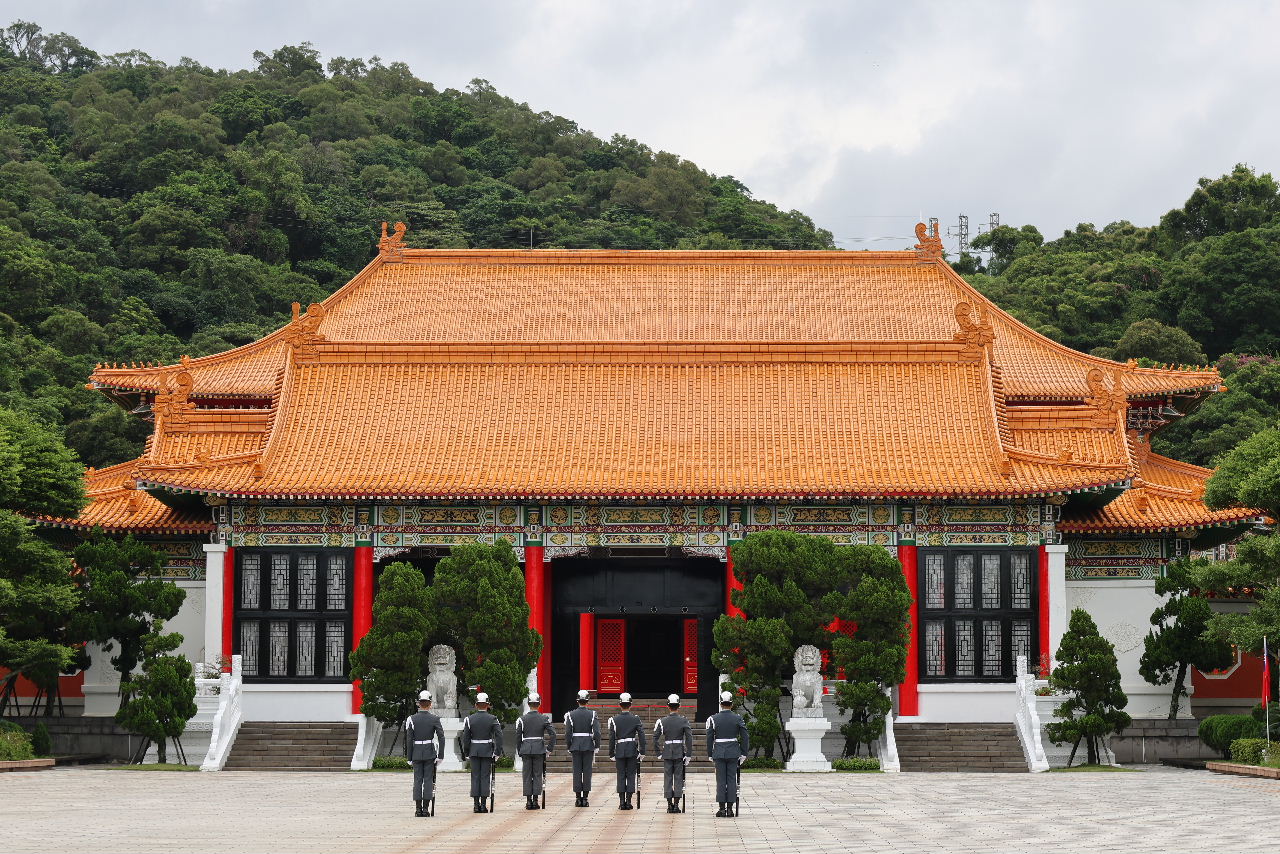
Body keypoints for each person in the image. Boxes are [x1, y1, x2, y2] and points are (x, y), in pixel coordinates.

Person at [706, 690, 749, 817]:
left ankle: (721, 809)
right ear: (732, 703)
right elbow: (745, 736)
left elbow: (709, 738)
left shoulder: (713, 718)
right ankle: (730, 809)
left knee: (720, 780)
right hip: (733, 752)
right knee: (731, 780)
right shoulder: (738, 718)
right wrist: (744, 753)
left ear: (720, 703)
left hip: (719, 752)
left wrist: (710, 753)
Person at [459, 691, 503, 813]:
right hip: (487, 750)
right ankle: (483, 805)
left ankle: (475, 804)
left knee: (475, 777)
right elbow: (499, 736)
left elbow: (466, 738)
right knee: (485, 777)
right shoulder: (493, 718)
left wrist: (467, 752)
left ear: (476, 705)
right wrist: (497, 752)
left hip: (474, 751)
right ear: (488, 705)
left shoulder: (469, 719)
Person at [404, 690, 446, 817]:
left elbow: (409, 739)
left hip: (416, 752)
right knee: (428, 780)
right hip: (429, 752)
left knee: (417, 780)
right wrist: (440, 755)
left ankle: (418, 809)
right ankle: (426, 809)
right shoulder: (434, 719)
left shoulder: (411, 719)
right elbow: (441, 737)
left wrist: (409, 757)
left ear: (418, 703)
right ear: (430, 704)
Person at [515, 691, 556, 810]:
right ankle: (535, 801)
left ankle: (528, 801)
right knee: (538, 774)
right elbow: (553, 734)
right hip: (539, 749)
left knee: (527, 775)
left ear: (528, 704)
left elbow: (518, 737)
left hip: (526, 749)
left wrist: (520, 750)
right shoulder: (544, 718)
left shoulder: (522, 719)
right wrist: (549, 749)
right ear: (539, 704)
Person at [653, 693, 692, 813]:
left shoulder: (662, 721)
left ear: (668, 706)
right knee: (678, 777)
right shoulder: (684, 720)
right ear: (679, 706)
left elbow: (655, 738)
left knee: (668, 778)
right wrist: (688, 754)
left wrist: (658, 753)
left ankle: (669, 804)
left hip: (667, 752)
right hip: (679, 751)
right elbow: (689, 738)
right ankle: (676, 804)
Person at [607, 692, 646, 810]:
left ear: (620, 705)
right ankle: (628, 802)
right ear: (630, 704)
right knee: (630, 775)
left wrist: (611, 753)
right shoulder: (635, 719)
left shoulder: (614, 720)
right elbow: (642, 736)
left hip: (619, 750)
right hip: (631, 750)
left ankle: (621, 802)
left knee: (620, 775)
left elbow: (611, 738)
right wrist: (642, 751)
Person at [563, 688, 601, 807]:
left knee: (577, 771)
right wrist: (597, 745)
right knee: (587, 771)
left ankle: (578, 798)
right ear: (587, 701)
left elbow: (568, 733)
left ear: (577, 701)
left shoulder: (570, 714)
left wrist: (569, 745)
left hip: (575, 745)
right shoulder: (592, 714)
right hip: (588, 745)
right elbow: (597, 732)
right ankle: (585, 798)